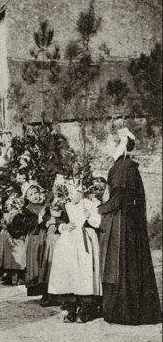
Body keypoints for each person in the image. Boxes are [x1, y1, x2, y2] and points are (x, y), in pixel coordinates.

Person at [98, 128, 161, 325]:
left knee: (122, 264)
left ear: (122, 144)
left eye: (113, 142)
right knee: (125, 264)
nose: (109, 147)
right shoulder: (125, 165)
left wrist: (98, 209)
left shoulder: (124, 167)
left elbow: (119, 197)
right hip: (124, 220)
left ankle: (124, 311)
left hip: (122, 222)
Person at [48, 178, 102, 323]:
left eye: (75, 192)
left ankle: (85, 308)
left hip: (85, 242)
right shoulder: (66, 206)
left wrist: (89, 216)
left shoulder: (91, 204)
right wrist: (64, 227)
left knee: (84, 273)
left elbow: (98, 223)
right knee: (69, 273)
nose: (71, 196)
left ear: (82, 192)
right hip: (69, 242)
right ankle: (70, 308)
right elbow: (59, 222)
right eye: (69, 193)